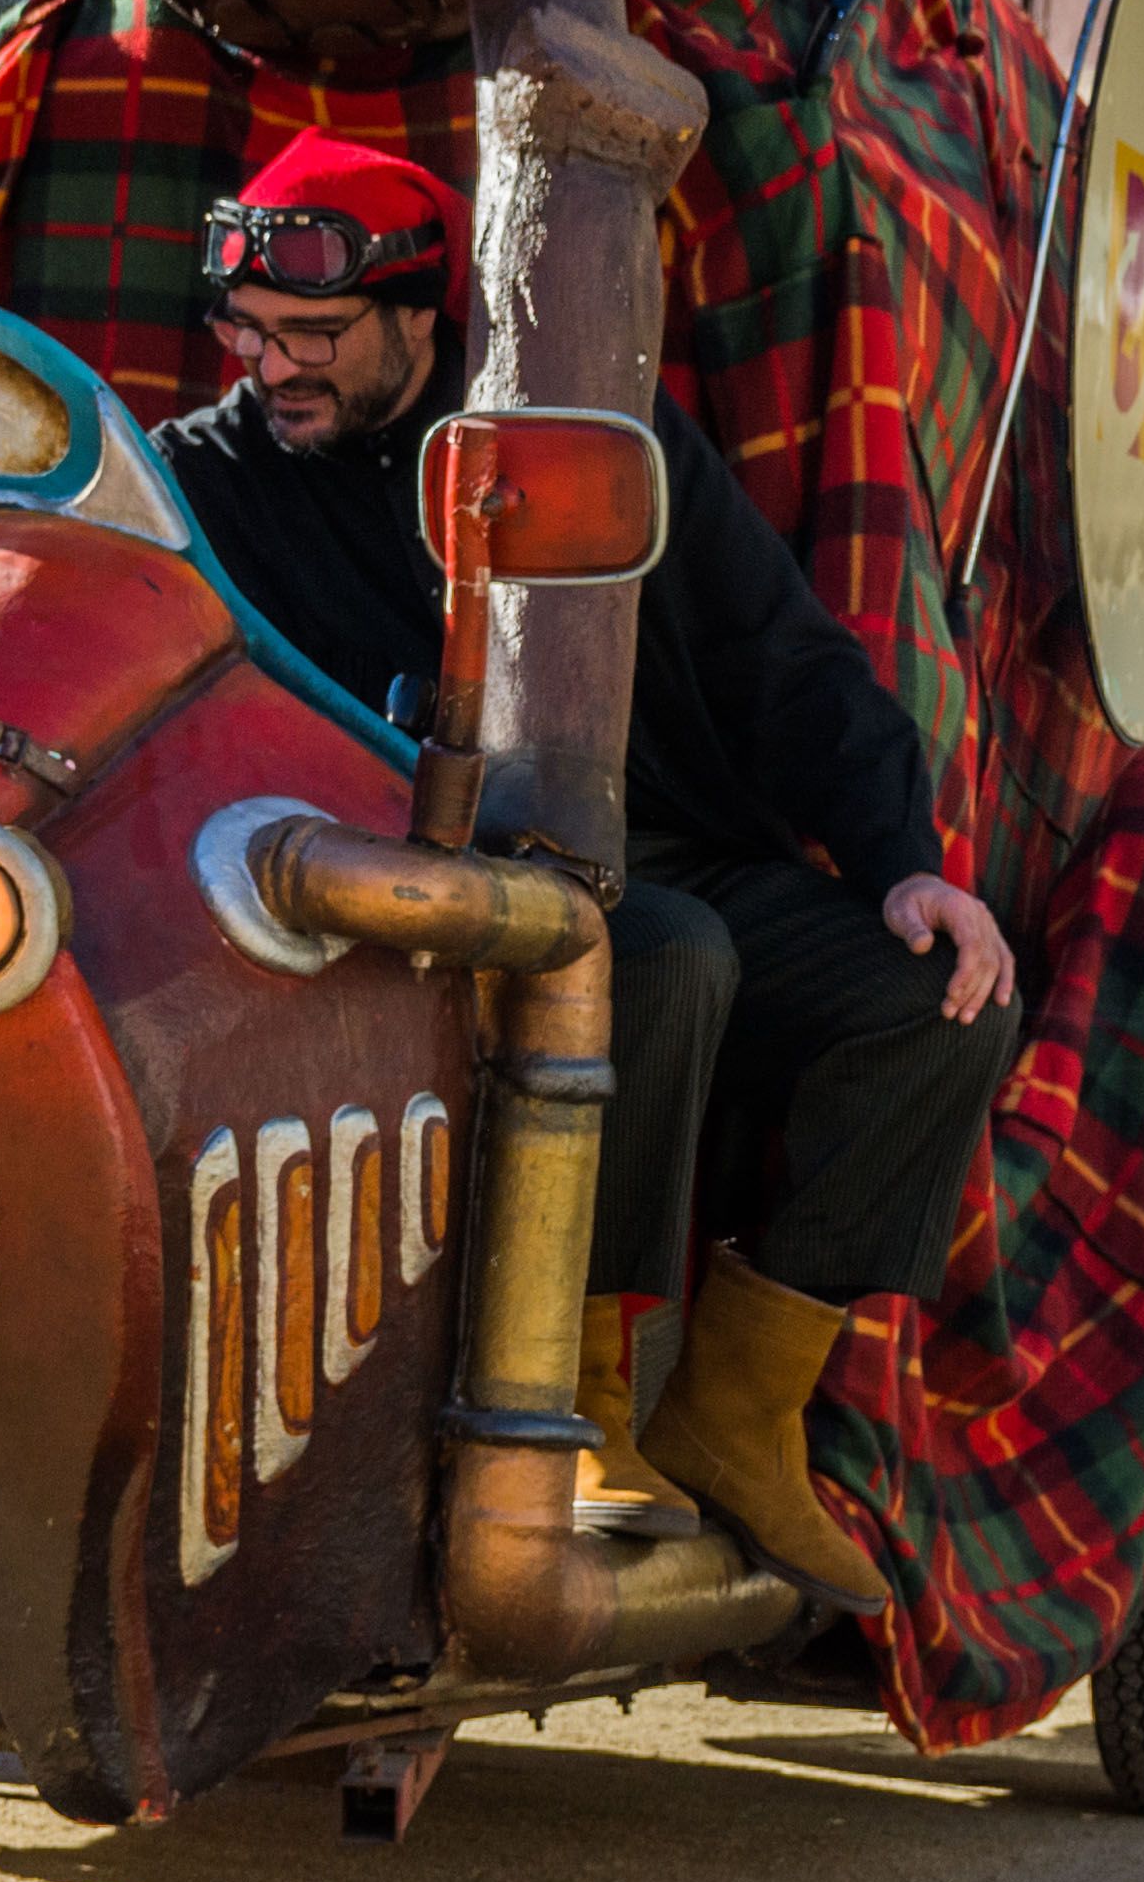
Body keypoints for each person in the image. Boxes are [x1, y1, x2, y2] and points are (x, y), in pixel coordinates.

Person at [147, 131, 1015, 1614]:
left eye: (311, 335)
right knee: (651, 954)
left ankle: (735, 1417)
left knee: (936, 1000)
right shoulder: (196, 481)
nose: (267, 364)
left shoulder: (594, 438)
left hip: (658, 840)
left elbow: (782, 660)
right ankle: (580, 1410)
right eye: (250, 332)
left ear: (424, 319)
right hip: (392, 887)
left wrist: (904, 864)